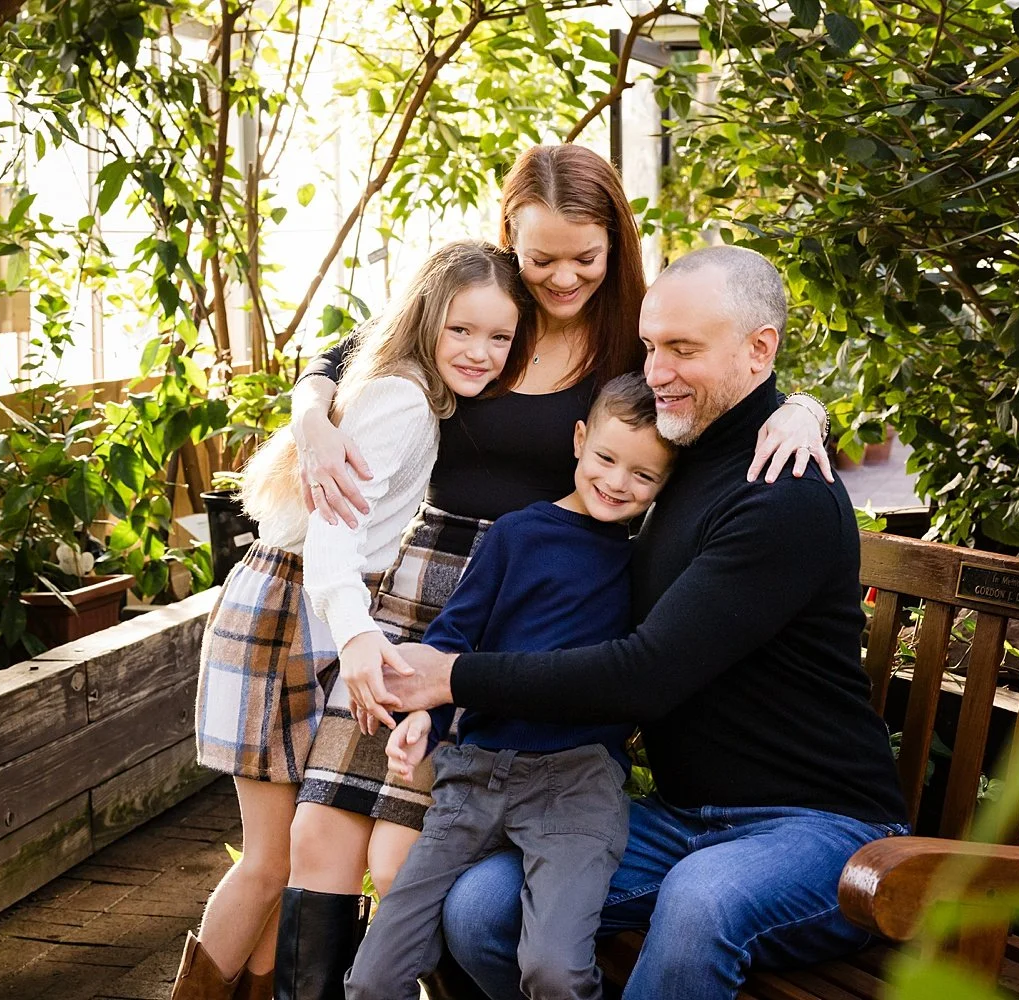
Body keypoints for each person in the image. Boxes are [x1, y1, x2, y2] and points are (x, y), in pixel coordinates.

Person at [288, 144, 830, 1000]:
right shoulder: (494, 306)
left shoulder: (634, 345)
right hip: (439, 582)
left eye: (586, 257)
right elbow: (364, 342)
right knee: (326, 831)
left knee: (414, 859)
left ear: (617, 245)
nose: (564, 277)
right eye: (543, 258)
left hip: (550, 611)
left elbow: (730, 384)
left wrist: (807, 408)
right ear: (511, 240)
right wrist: (311, 411)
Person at [383, 246, 912, 1000]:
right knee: (480, 910)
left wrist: (452, 676)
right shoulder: (677, 451)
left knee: (703, 901)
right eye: (651, 346)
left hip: (821, 831)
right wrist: (804, 405)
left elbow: (646, 675)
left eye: (683, 350)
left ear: (760, 349)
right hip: (682, 819)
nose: (657, 369)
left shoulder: (782, 494)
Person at [177, 241, 532, 1000]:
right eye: (462, 331)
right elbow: (333, 533)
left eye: (499, 337)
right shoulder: (402, 398)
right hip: (293, 609)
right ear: (428, 317)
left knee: (288, 861)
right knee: (270, 860)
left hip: (315, 606)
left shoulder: (406, 384)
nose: (480, 352)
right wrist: (360, 632)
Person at [344, 373, 677, 1000]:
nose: (616, 482)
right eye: (607, 458)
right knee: (374, 976)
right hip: (476, 776)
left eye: (644, 476)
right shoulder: (517, 534)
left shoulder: (645, 562)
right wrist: (427, 719)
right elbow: (454, 635)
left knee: (552, 967)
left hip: (577, 784)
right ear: (580, 441)